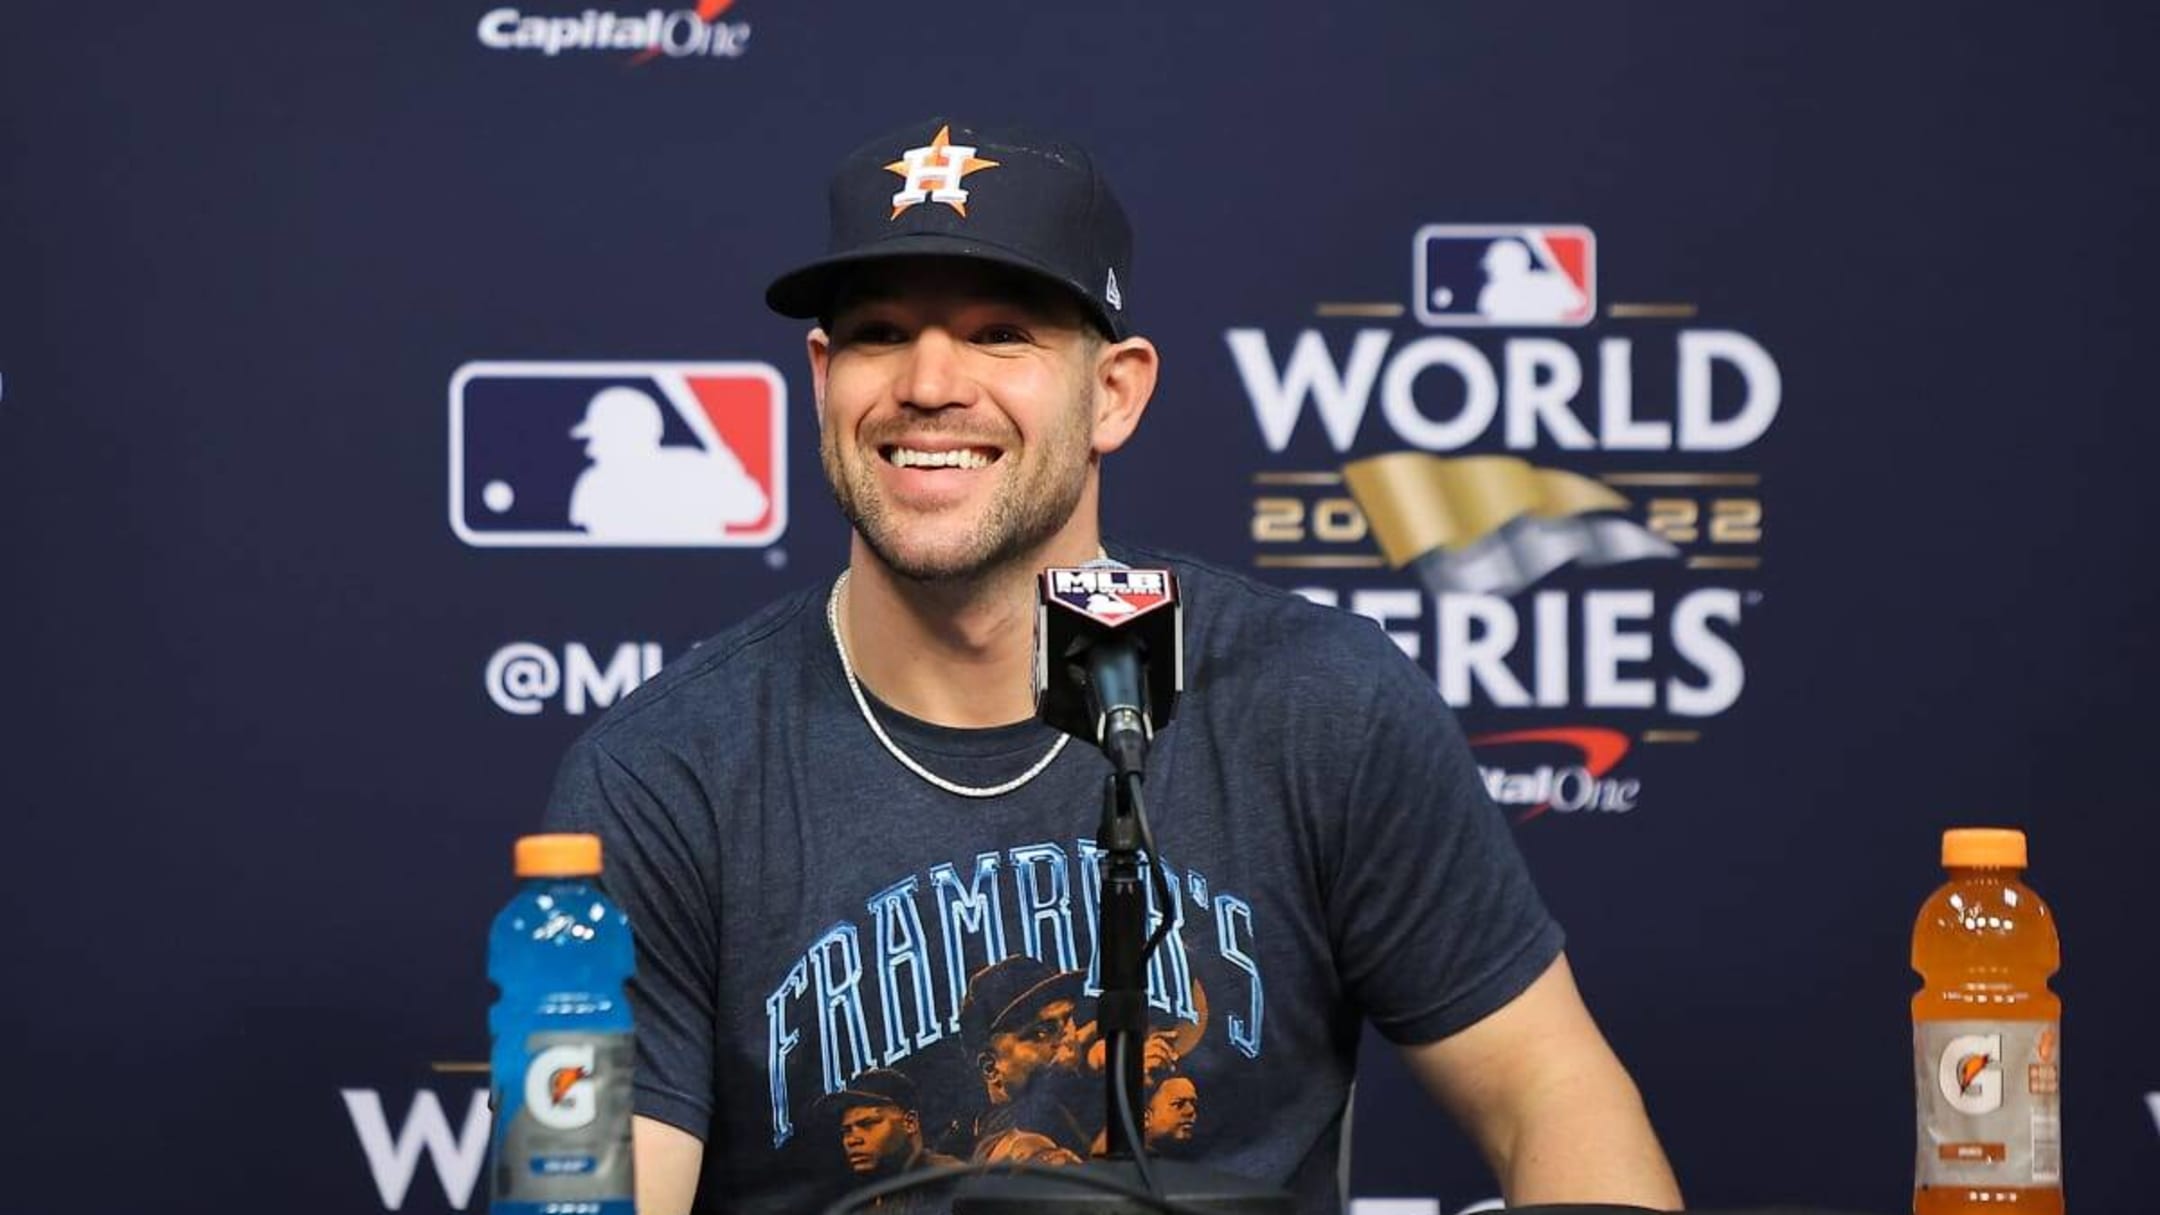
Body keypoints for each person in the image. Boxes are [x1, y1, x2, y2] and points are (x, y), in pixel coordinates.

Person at [543, 116, 1683, 1214]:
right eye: (881, 332)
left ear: (1117, 392)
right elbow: (590, 1185)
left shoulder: (1313, 704)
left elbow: (1552, 1090)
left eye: (1003, 334)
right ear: (822, 376)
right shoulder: (663, 777)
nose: (930, 383)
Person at [811, 1067, 961, 1210]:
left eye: (868, 1124)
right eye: (846, 1130)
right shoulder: (865, 1202)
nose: (851, 1140)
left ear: (909, 1123)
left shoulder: (952, 1180)